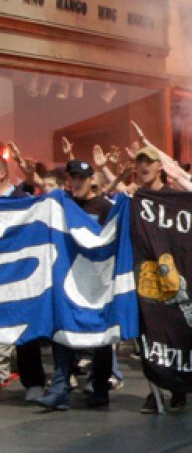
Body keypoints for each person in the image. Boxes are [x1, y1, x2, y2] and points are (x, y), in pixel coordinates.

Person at [37, 160, 115, 411]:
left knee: (101, 337)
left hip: (96, 284)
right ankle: (59, 390)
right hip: (67, 280)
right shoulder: (62, 204)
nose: (77, 182)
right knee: (62, 332)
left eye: (82, 177)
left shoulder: (105, 207)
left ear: (92, 180)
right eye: (73, 177)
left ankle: (100, 388)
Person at [135, 147, 189, 415]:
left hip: (171, 276)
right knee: (148, 336)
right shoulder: (135, 199)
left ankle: (178, 386)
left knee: (174, 333)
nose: (144, 166)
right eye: (140, 162)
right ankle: (154, 391)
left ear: (160, 167)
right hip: (145, 276)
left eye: (149, 162)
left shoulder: (173, 198)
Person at [0, 157, 46, 401]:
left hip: (19, 271)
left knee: (23, 325)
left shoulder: (21, 199)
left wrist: (30, 177)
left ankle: (34, 381)